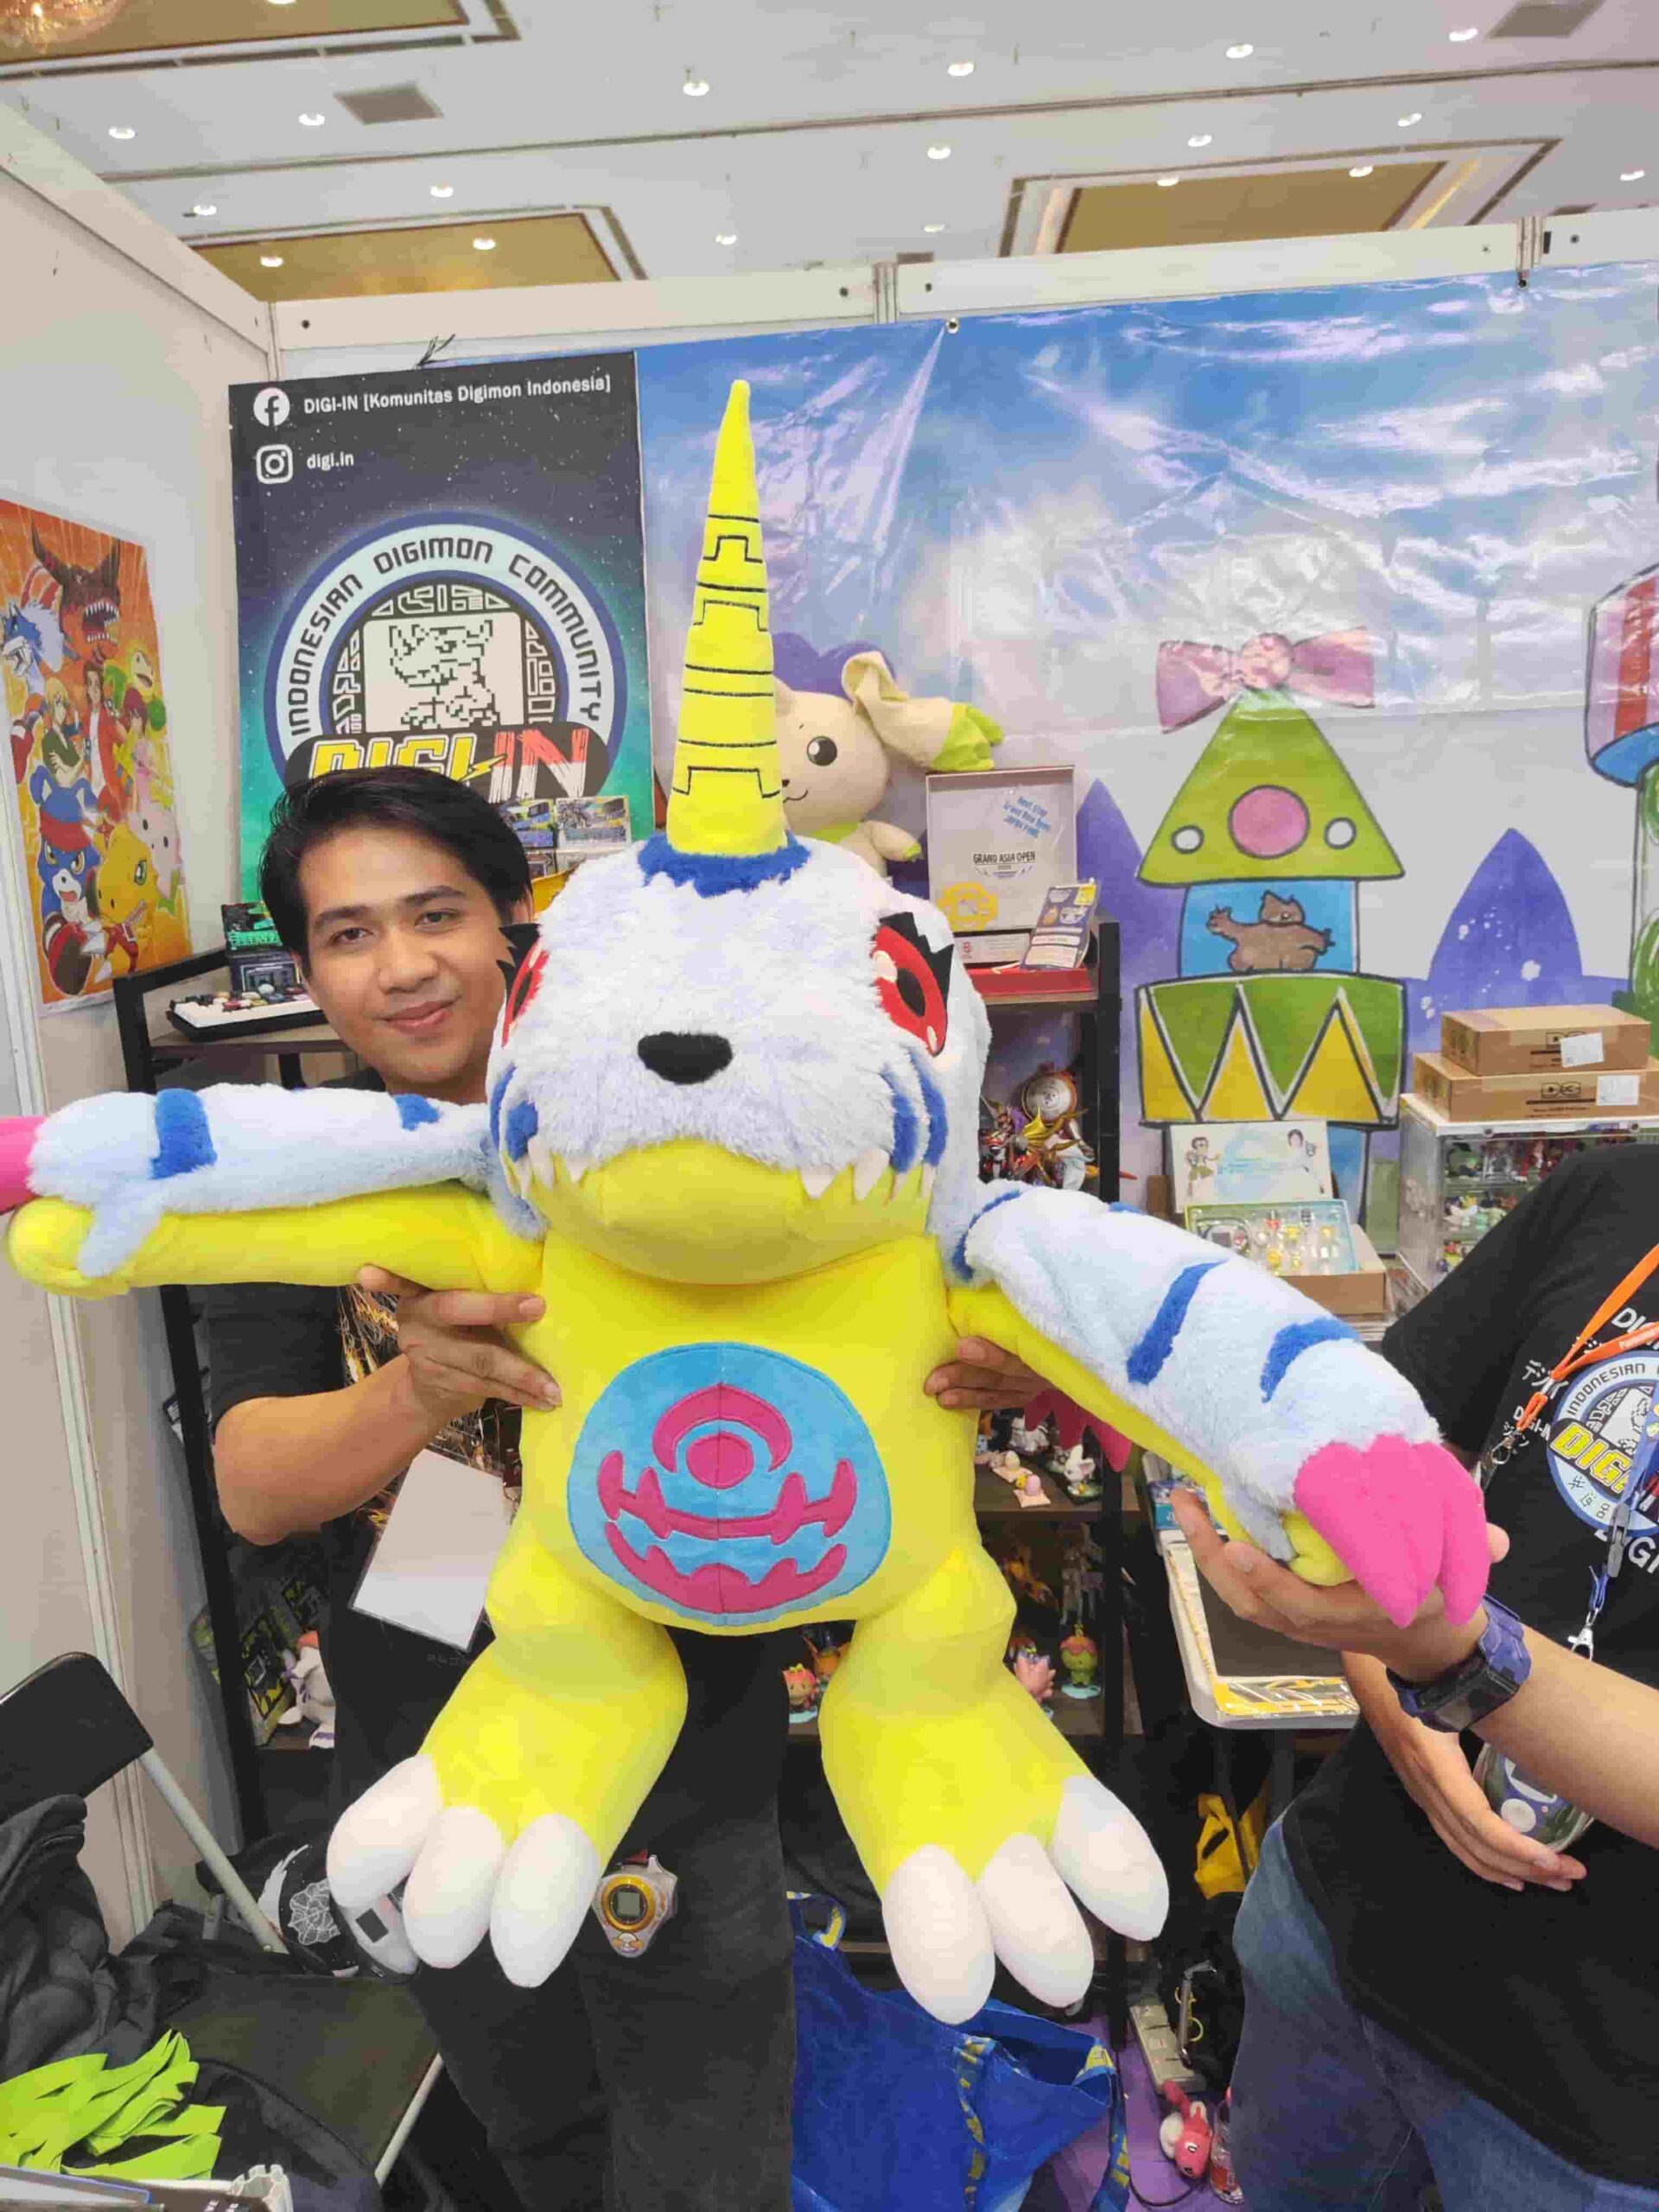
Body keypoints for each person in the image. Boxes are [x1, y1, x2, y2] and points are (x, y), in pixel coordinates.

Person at [207, 766, 1025, 2211]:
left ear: (515, 927)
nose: (401, 967)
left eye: (436, 915)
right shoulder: (304, 1176)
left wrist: (983, 1359)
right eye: (348, 935)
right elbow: (255, 1488)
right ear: (309, 973)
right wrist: (422, 1389)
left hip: (684, 1747)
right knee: (536, 2134)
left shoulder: (669, 1114)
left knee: (707, 2155)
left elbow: (902, 1294)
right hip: (432, 1739)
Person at [1169, 1146, 1659, 2209]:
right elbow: (1370, 1453)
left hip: (1598, 2105)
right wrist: (1401, 1685)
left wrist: (1453, 1662)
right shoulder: (1618, 1195)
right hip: (1337, 1931)